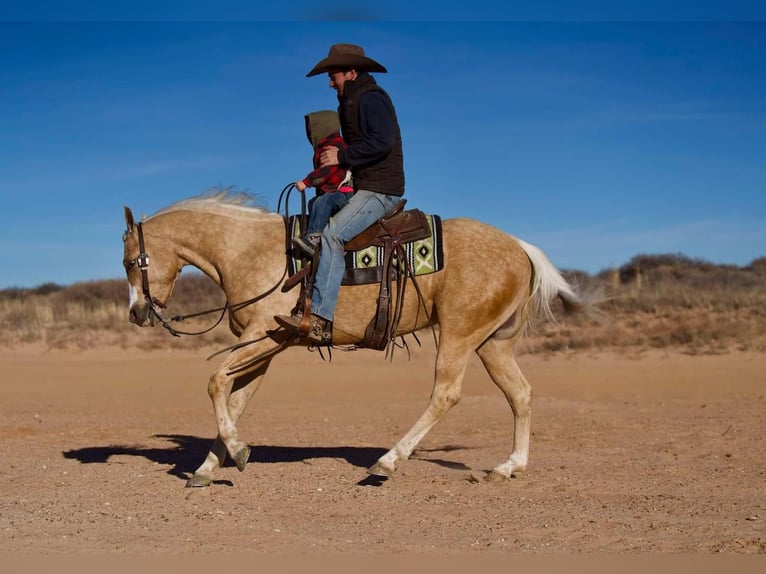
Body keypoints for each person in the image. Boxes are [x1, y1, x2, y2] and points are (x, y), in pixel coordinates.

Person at [275, 43, 405, 343]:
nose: (330, 82)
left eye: (333, 76)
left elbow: (382, 142)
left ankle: (319, 319)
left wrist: (341, 157)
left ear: (351, 71)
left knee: (333, 235)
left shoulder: (371, 99)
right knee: (324, 205)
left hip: (381, 189)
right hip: (365, 185)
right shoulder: (351, 101)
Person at [293, 110, 354, 257]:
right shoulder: (325, 146)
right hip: (334, 192)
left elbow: (326, 172)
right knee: (314, 203)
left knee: (322, 202)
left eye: (311, 128)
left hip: (343, 193)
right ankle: (321, 228)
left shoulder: (333, 146)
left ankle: (314, 238)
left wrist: (306, 182)